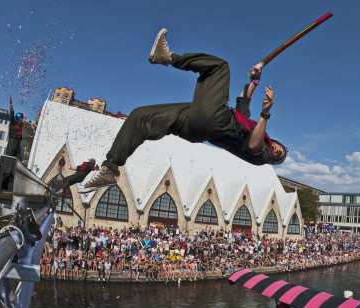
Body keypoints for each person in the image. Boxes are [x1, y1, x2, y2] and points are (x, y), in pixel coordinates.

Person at [79, 28, 287, 193]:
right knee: (140, 116)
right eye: (280, 149)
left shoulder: (262, 156)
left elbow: (254, 144)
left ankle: (169, 58)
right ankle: (110, 167)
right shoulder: (248, 124)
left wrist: (266, 113)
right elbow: (244, 99)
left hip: (217, 123)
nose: (277, 152)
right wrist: (255, 78)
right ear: (277, 141)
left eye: (278, 157)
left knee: (219, 67)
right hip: (198, 127)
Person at [6, 96, 26, 160]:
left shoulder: (20, 124)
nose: (23, 119)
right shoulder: (13, 123)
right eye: (22, 118)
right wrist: (11, 104)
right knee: (9, 157)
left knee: (19, 159)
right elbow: (12, 113)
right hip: (13, 141)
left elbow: (22, 122)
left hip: (18, 142)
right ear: (19, 118)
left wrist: (24, 118)